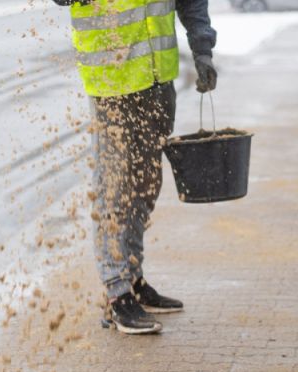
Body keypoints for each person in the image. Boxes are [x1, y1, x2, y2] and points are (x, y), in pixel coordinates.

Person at [52, 0, 217, 334]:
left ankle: (133, 278)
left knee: (144, 185)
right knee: (116, 188)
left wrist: (202, 49)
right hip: (112, 79)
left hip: (157, 77)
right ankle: (116, 293)